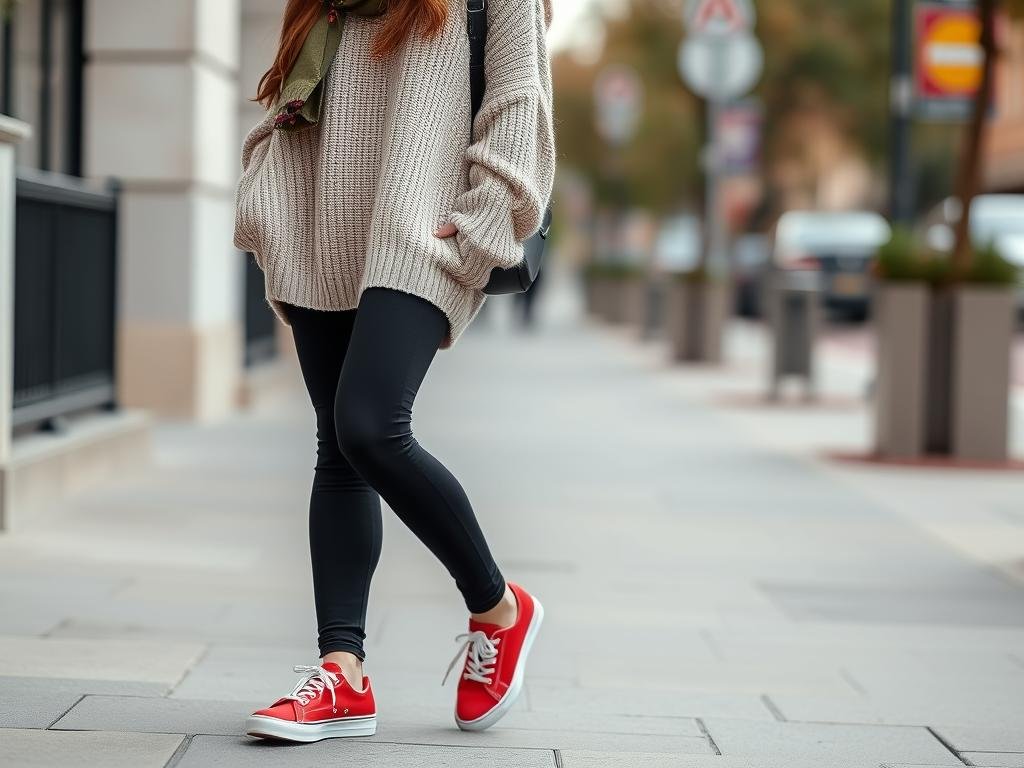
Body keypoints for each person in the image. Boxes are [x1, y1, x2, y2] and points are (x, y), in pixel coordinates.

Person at [232, 0, 555, 744]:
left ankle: (499, 606)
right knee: (336, 447)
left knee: (370, 427)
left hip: (419, 224)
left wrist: (484, 217)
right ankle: (342, 673)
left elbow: (519, 101)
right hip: (319, 223)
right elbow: (293, 94)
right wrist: (266, 194)